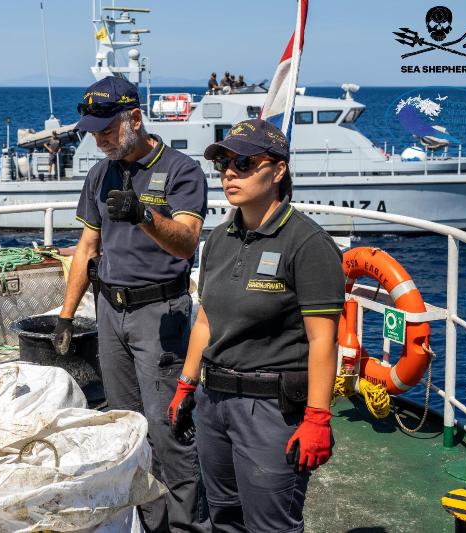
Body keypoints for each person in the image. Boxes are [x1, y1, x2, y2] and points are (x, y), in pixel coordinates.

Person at [168, 119, 345, 532]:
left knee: (270, 525)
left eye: (244, 162)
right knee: (223, 516)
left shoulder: (306, 243)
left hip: (270, 410)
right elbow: (206, 320)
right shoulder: (219, 239)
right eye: (225, 164)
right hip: (214, 403)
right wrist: (186, 384)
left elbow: (323, 340)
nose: (230, 172)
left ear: (278, 169)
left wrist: (318, 418)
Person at [54, 76, 210, 533]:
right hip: (110, 314)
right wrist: (66, 316)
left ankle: (187, 528)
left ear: (134, 119)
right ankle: (152, 525)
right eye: (93, 131)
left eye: (106, 130)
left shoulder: (181, 170)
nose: (98, 140)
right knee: (126, 428)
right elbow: (87, 247)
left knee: (170, 430)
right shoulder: (99, 174)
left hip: (159, 314)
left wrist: (143, 215)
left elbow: (186, 243)